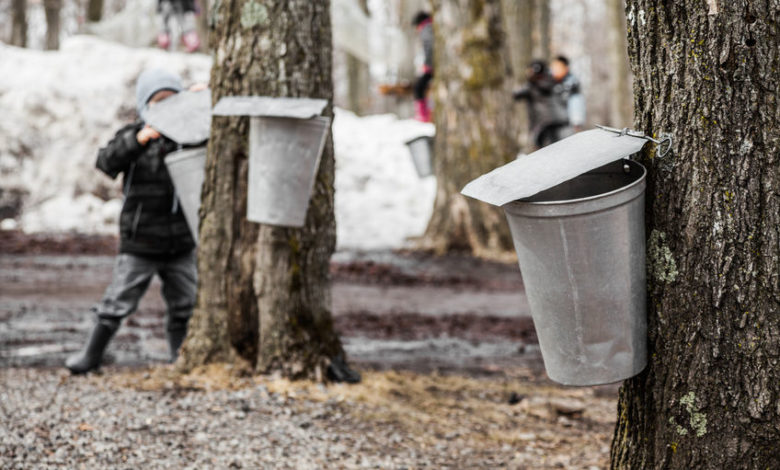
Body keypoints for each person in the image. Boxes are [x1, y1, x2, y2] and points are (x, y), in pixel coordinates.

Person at [65, 69, 200, 374]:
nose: (166, 110)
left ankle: (180, 358)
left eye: (172, 102)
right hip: (140, 243)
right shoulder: (135, 136)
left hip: (181, 242)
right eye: (158, 102)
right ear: (144, 106)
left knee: (185, 305)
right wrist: (139, 140)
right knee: (118, 302)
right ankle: (91, 355)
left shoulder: (189, 138)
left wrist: (199, 100)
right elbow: (106, 161)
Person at [513, 60, 559, 148]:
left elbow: (517, 93)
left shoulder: (539, 84)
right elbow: (517, 95)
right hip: (542, 122)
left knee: (550, 147)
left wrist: (532, 81)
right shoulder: (534, 85)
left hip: (545, 123)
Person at [549, 55, 586, 135]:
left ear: (566, 68)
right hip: (551, 126)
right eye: (553, 67)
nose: (554, 70)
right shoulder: (549, 82)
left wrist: (577, 123)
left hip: (567, 127)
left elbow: (576, 104)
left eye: (558, 67)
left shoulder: (572, 83)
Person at [412, 11, 434, 122]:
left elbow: (429, 47)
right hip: (432, 64)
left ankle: (423, 115)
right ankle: (424, 114)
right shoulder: (429, 27)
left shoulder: (426, 29)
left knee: (419, 88)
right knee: (421, 88)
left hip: (431, 65)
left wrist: (427, 64)